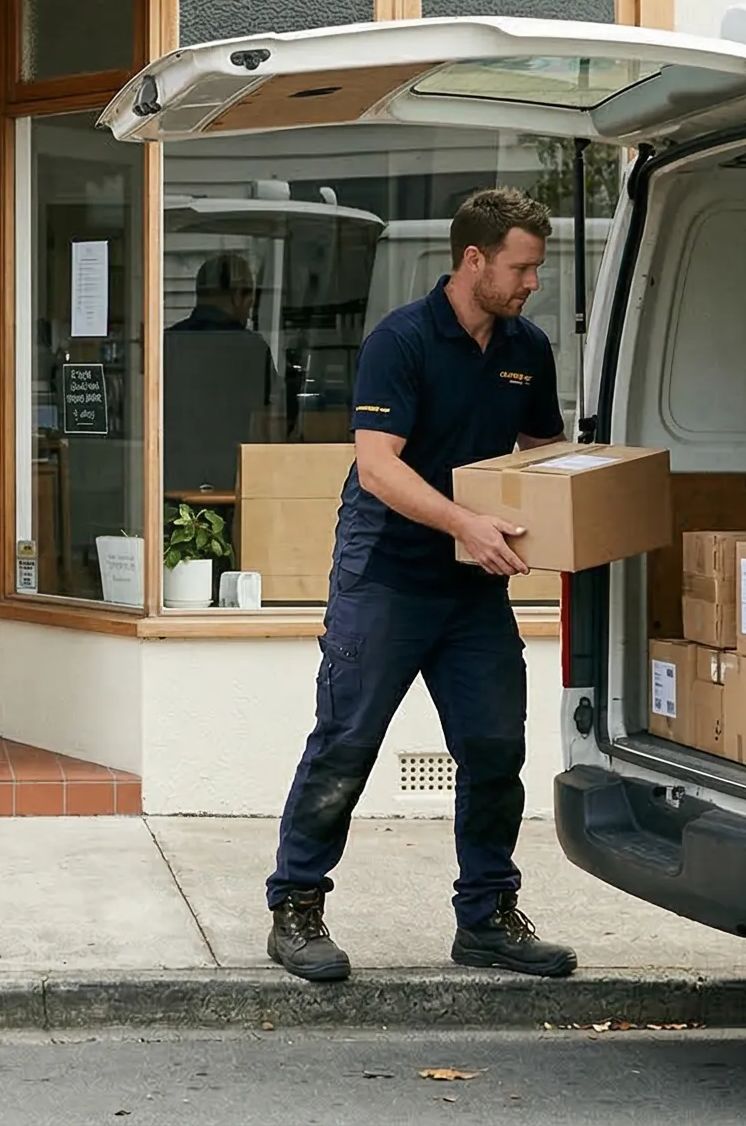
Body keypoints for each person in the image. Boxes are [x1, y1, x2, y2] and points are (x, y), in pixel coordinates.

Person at [265, 186, 576, 982]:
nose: (531, 283)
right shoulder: (401, 340)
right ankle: (297, 907)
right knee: (346, 744)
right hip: (387, 573)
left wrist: (547, 519)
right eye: (521, 267)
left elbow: (544, 451)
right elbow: (377, 467)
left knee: (494, 746)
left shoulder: (526, 347)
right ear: (473, 260)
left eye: (535, 268)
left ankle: (487, 919)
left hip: (471, 585)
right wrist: (466, 523)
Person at [163, 252, 283, 491]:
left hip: (171, 477)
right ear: (238, 296)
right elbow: (271, 422)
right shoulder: (253, 349)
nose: (251, 308)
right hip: (234, 478)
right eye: (251, 297)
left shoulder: (166, 343)